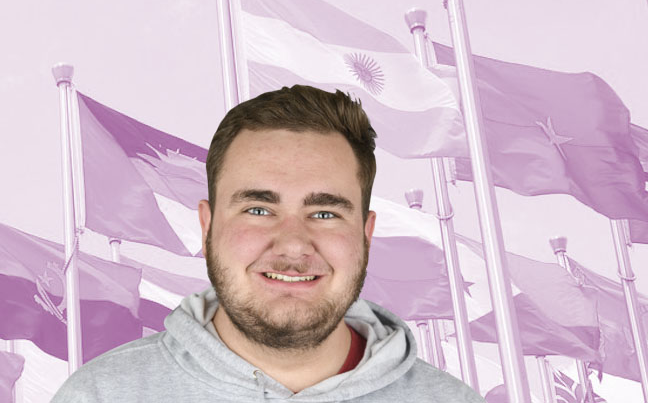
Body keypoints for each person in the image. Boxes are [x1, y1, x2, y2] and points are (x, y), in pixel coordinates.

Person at [52, 85, 485, 402]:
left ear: (365, 236)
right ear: (206, 227)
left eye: (325, 213)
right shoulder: (99, 396)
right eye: (259, 209)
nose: (293, 244)